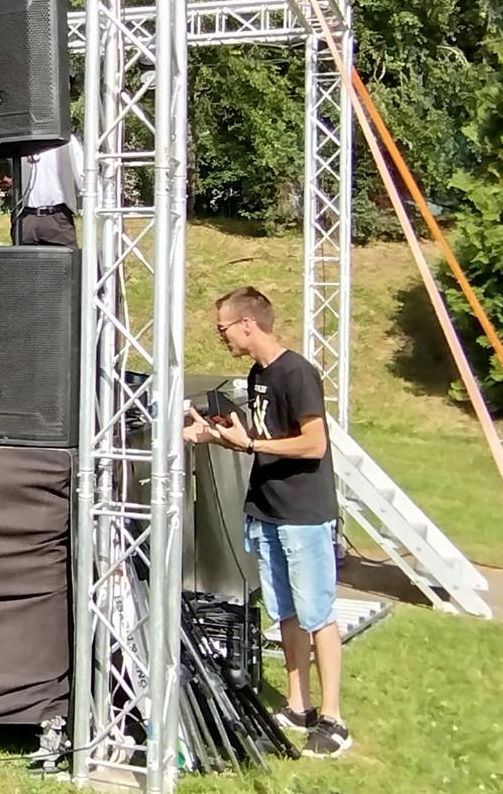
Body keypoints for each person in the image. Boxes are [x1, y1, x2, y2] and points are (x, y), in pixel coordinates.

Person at [183, 286, 349, 758]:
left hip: (303, 514)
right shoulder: (257, 375)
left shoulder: (297, 373)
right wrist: (215, 436)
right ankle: (299, 706)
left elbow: (313, 444)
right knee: (286, 613)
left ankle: (334, 719)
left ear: (248, 324)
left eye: (223, 328)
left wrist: (251, 445)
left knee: (318, 614)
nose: (221, 337)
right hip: (266, 510)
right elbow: (260, 438)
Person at [14, 134, 85, 248]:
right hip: (27, 217)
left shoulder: (67, 139)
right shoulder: (20, 138)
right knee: (24, 258)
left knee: (67, 257)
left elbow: (83, 177)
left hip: (57, 217)